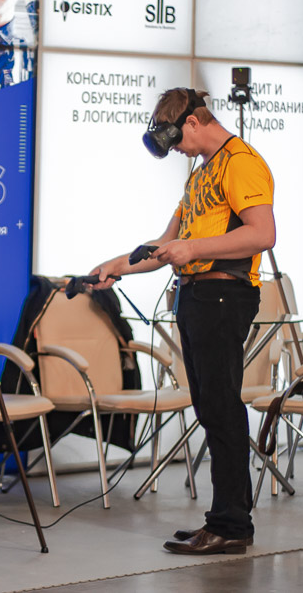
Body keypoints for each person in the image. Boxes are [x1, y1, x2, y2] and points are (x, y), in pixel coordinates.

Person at [91, 87, 275, 556]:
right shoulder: (201, 172)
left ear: (193, 121)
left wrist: (192, 249)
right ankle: (227, 520)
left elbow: (262, 234)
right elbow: (166, 243)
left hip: (224, 294)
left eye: (176, 139)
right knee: (211, 408)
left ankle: (231, 525)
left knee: (222, 407)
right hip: (196, 295)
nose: (175, 149)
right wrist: (116, 265)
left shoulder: (241, 162)